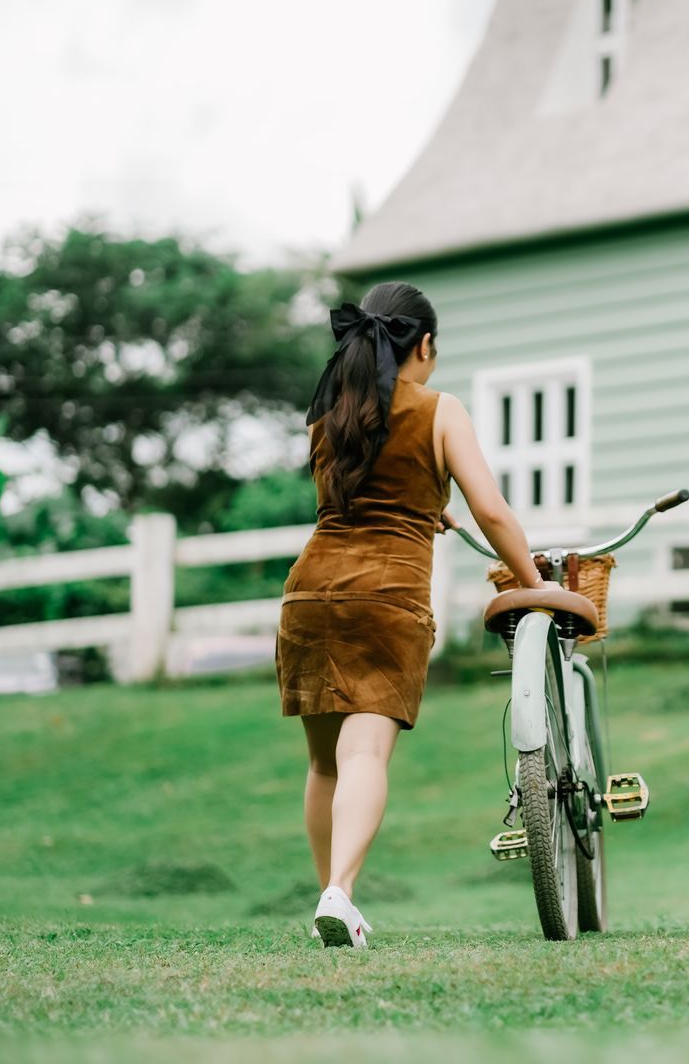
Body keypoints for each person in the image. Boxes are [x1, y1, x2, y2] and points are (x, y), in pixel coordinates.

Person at [278, 281, 552, 948]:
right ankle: (341, 893)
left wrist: (428, 505)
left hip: (310, 594)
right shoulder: (440, 409)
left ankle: (330, 900)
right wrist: (534, 582)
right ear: (423, 344)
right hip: (386, 596)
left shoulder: (327, 412)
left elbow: (359, 497)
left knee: (325, 765)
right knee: (365, 750)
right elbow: (492, 511)